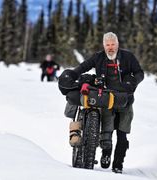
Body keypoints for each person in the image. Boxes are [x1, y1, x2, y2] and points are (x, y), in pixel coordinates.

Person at [60, 32, 144, 173]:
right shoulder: (99, 57)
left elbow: (139, 73)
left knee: (122, 134)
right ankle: (106, 154)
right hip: (105, 98)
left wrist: (133, 81)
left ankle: (118, 165)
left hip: (125, 99)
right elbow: (83, 66)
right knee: (107, 130)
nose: (110, 47)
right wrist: (72, 74)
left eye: (113, 44)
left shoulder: (128, 57)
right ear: (104, 46)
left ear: (117, 44)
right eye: (107, 45)